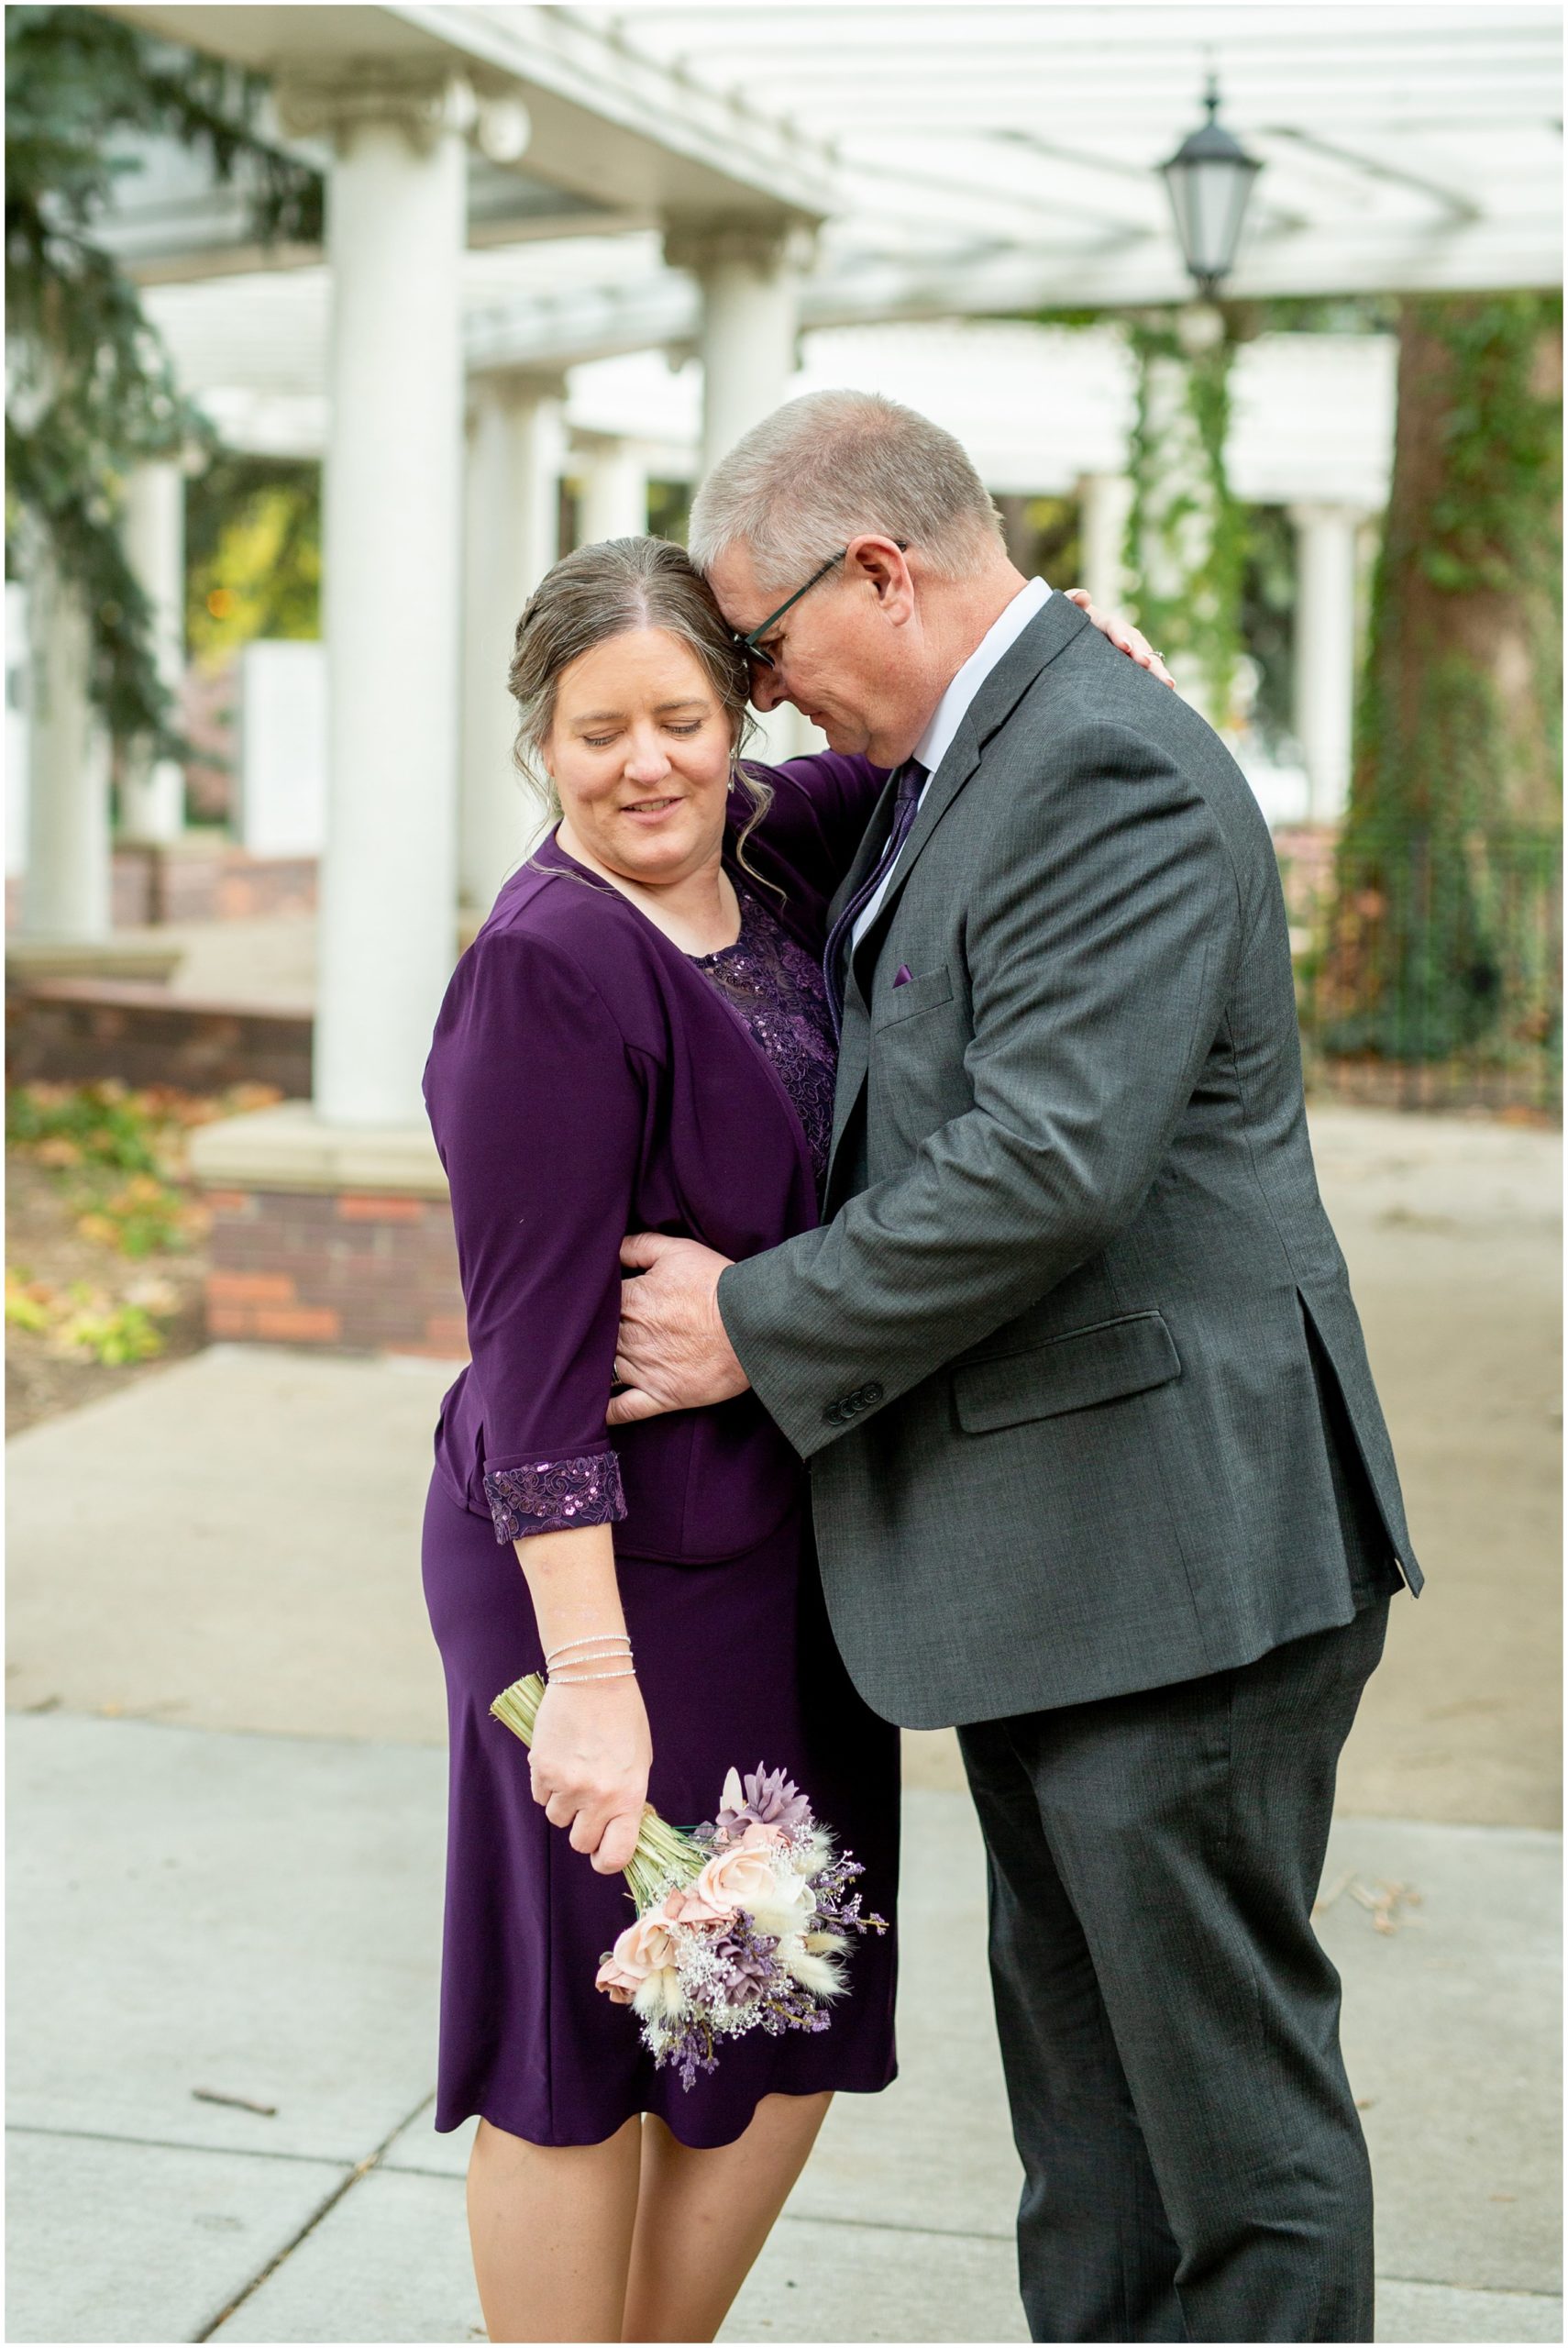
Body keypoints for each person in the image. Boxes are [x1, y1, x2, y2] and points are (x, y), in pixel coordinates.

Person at [607, 391, 1423, 2346]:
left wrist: (752, 1317)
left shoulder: (1097, 768)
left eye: (764, 648)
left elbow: (1048, 1162)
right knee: (1097, 2132)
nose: (766, 699)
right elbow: (646, 800)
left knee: (1230, 2136)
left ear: (880, 570)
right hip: (1070, 1570)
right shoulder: (973, 751)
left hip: (1182, 1566)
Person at [420, 528, 1164, 2344]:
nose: (645, 764)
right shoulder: (542, 972)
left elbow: (955, 713)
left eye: (680, 714)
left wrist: (1083, 655)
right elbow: (527, 1364)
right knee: (594, 2030)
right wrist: (589, 1674)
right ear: (541, 738)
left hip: (789, 1550)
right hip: (602, 1585)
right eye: (595, 731)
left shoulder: (780, 832)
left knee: (775, 2001)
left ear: (740, 712)